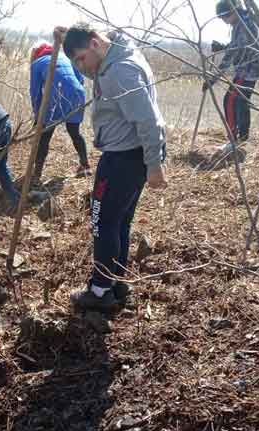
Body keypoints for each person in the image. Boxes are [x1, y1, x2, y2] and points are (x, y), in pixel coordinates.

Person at [59, 25, 167, 312]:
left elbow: (148, 121)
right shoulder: (117, 48)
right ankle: (116, 282)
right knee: (118, 221)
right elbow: (100, 37)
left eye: (81, 59)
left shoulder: (120, 72)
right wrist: (68, 33)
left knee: (101, 221)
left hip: (124, 158)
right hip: (129, 154)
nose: (80, 68)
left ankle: (99, 291)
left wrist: (154, 165)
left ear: (95, 44)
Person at [206, 0, 259, 156]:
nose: (224, 21)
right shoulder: (242, 21)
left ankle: (235, 141)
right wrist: (224, 47)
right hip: (247, 68)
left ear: (233, 12)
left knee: (231, 101)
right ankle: (241, 140)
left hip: (248, 69)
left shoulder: (243, 25)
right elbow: (238, 46)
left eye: (225, 17)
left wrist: (214, 78)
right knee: (239, 102)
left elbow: (234, 53)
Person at [30, 40, 90, 180]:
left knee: (44, 136)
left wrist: (37, 116)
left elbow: (35, 92)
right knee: (74, 132)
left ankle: (37, 174)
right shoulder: (64, 57)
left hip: (55, 97)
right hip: (77, 95)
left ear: (35, 54)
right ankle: (85, 166)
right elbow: (80, 79)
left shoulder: (37, 64)